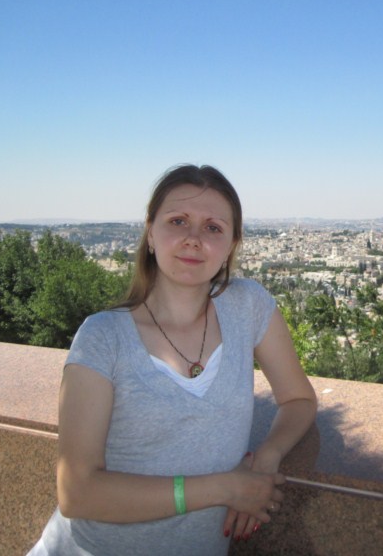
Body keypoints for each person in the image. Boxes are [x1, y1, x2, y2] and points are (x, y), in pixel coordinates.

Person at [30, 165, 317, 555]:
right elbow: (77, 493)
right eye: (178, 221)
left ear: (231, 245)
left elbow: (298, 399)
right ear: (151, 233)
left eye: (213, 227)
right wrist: (226, 488)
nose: (193, 239)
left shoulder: (247, 307)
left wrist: (267, 457)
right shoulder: (103, 337)